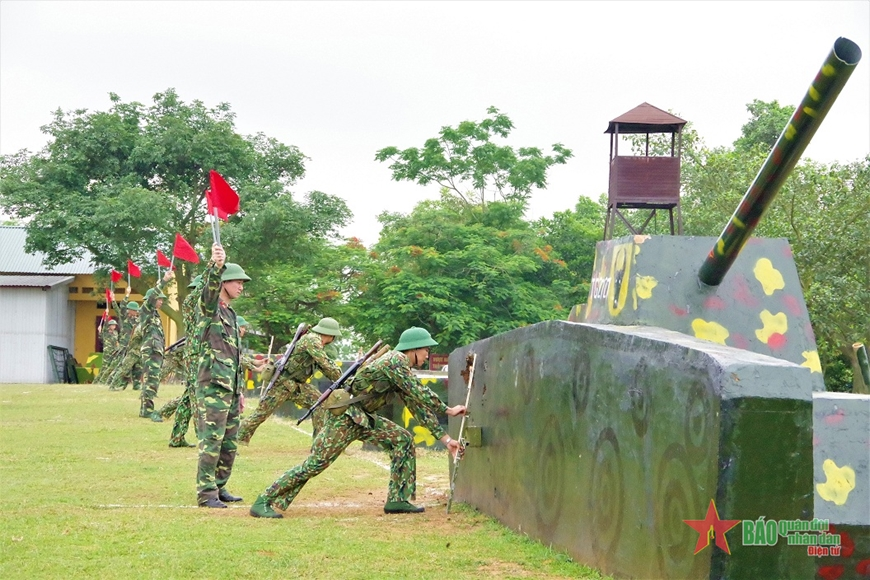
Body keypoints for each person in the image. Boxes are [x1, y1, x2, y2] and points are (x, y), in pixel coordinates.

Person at [249, 326, 466, 518]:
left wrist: (446, 440)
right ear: (414, 348)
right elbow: (420, 392)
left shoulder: (401, 369)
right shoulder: (395, 361)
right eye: (426, 349)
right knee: (316, 464)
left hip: (361, 419)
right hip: (345, 418)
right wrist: (447, 409)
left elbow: (416, 405)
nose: (427, 354)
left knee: (403, 440)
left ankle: (398, 499)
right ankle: (264, 500)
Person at [193, 244, 250, 508]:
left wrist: (239, 392)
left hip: (229, 388)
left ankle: (219, 486)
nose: (241, 287)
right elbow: (208, 292)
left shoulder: (231, 314)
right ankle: (206, 494)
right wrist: (215, 267)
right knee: (212, 441)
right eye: (238, 282)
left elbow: (234, 356)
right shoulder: (211, 309)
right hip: (213, 387)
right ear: (224, 283)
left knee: (229, 444)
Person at [237, 317, 343, 445]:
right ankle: (238, 438)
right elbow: (325, 363)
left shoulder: (315, 341)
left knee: (319, 404)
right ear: (331, 335)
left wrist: (340, 378)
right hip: (284, 383)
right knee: (261, 414)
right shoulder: (312, 340)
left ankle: (319, 445)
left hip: (297, 385)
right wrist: (342, 377)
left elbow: (323, 366)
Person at [138, 271, 174, 417]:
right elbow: (152, 297)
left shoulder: (155, 315)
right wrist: (164, 281)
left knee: (152, 380)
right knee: (150, 380)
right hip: (151, 351)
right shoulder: (146, 311)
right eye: (159, 299)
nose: (161, 301)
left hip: (156, 350)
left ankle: (146, 409)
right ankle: (147, 410)